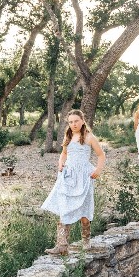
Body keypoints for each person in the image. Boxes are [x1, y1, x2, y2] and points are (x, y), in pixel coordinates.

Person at [41, 109, 105, 255]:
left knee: (84, 213)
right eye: (70, 122)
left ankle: (86, 241)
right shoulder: (68, 136)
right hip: (68, 175)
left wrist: (98, 170)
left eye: (76, 121)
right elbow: (64, 154)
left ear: (82, 121)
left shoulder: (89, 137)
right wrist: (60, 163)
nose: (73, 124)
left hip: (84, 176)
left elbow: (101, 155)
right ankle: (62, 246)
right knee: (65, 207)